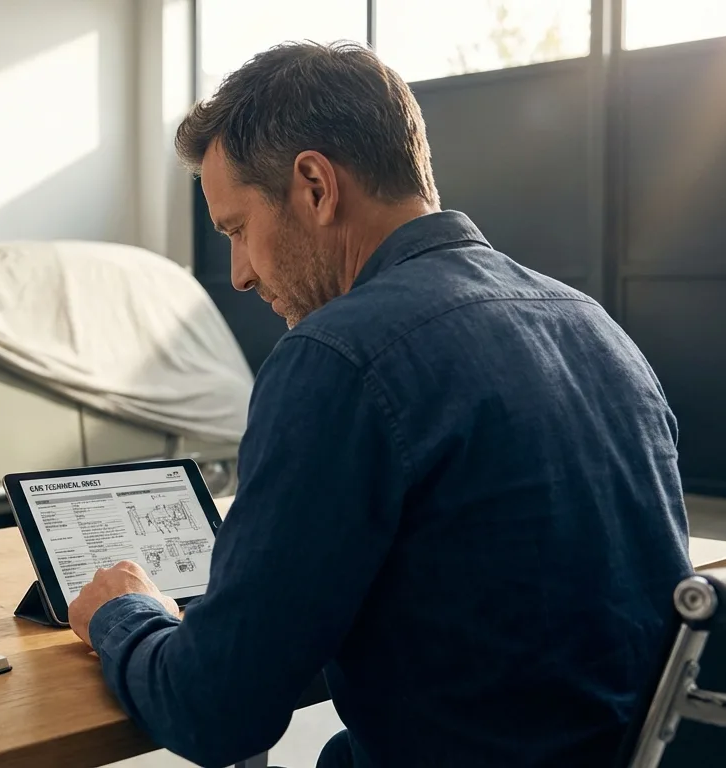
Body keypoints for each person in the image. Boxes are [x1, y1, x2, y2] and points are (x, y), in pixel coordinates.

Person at [68, 41, 692, 768]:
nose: (238, 274)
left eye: (237, 228)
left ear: (314, 186)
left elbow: (215, 711)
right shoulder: (593, 325)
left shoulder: (339, 356)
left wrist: (124, 614)